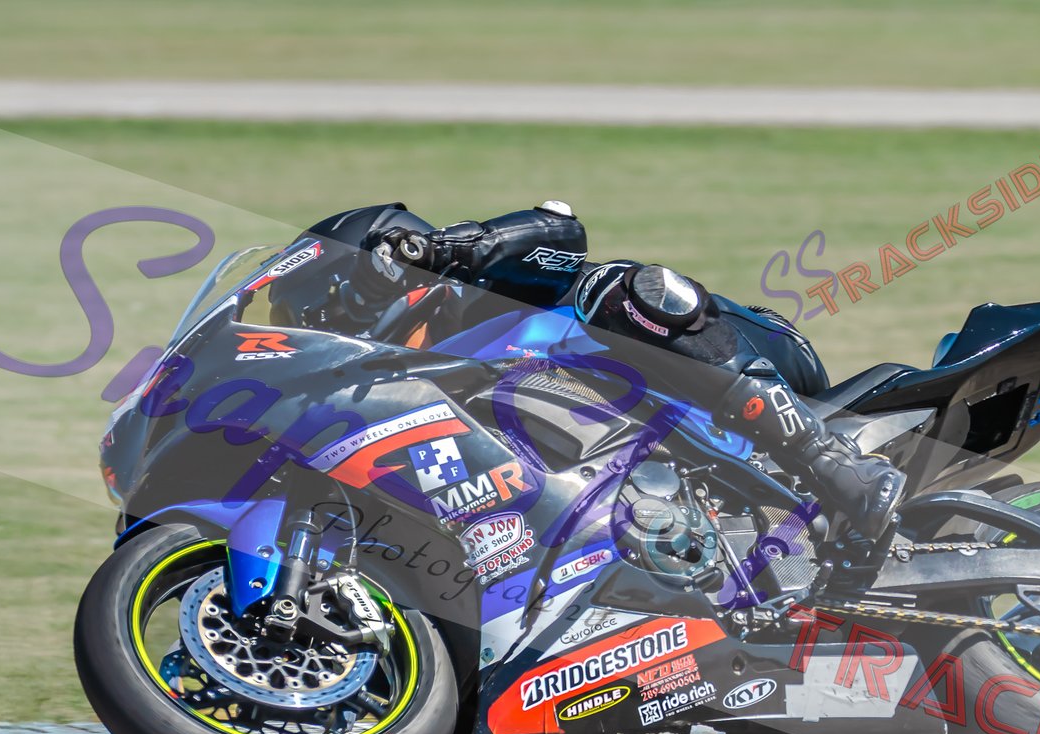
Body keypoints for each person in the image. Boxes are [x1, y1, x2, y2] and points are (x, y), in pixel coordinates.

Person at [339, 200, 906, 541]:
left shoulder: (478, 299)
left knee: (615, 291)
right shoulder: (414, 405)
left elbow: (561, 232)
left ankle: (833, 462)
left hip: (752, 362)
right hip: (668, 490)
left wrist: (440, 249)